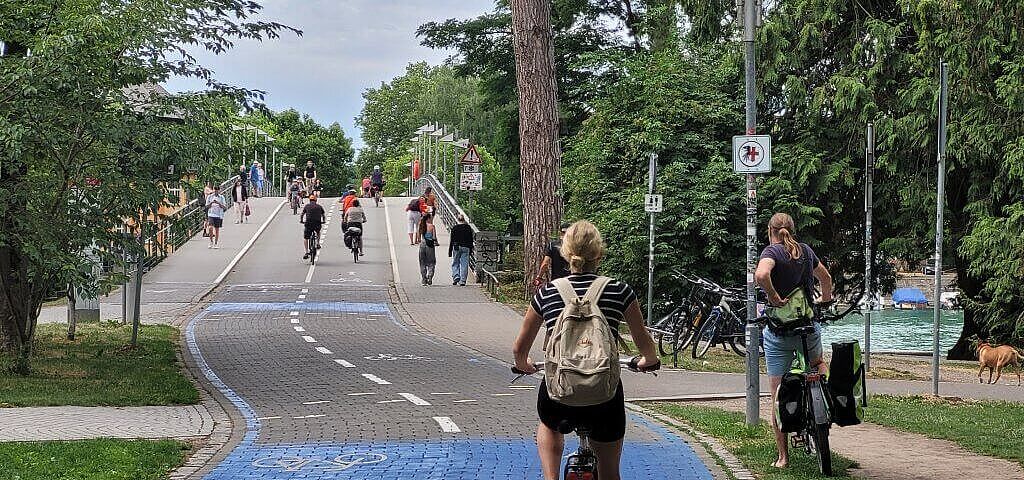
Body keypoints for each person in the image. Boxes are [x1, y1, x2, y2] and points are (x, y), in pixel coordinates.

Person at [512, 220, 659, 480]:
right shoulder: (619, 290)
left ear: (565, 254)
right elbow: (642, 339)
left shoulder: (546, 293)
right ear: (599, 254)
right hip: (604, 395)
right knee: (610, 472)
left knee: (548, 423)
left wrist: (523, 363)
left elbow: (519, 348)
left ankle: (550, 477)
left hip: (560, 393)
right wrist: (648, 359)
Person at [754, 212, 833, 470]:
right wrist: (825, 299)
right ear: (792, 229)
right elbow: (826, 279)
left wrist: (775, 298)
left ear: (770, 231)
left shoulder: (772, 252)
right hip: (808, 331)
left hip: (779, 336)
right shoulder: (807, 251)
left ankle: (783, 458)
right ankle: (827, 395)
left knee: (777, 395)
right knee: (818, 362)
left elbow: (761, 275)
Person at [449, 214, 474, 285]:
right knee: (464, 264)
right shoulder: (468, 228)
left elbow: (452, 240)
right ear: (464, 219)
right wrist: (471, 249)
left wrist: (450, 251)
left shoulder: (454, 228)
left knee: (455, 262)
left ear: (457, 219)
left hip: (456, 247)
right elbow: (471, 239)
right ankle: (463, 280)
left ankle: (456, 276)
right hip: (466, 247)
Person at [418, 212, 438, 285]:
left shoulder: (421, 225)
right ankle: (430, 277)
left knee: (422, 262)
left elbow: (418, 239)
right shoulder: (432, 226)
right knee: (431, 262)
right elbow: (434, 238)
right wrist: (435, 242)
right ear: (429, 218)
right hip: (430, 245)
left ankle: (424, 279)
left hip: (422, 244)